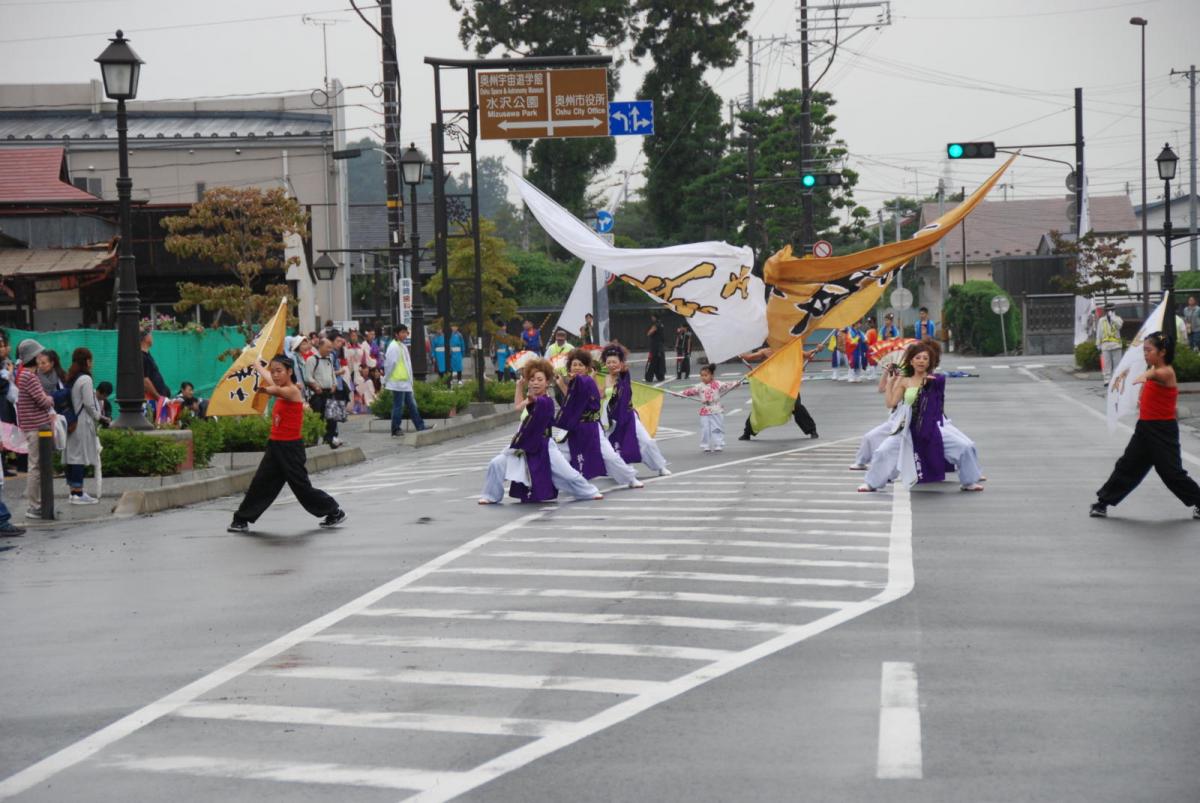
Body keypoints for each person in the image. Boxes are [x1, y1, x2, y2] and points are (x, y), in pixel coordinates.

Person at [227, 356, 346, 533]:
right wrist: (258, 366)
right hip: (275, 445)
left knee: (301, 487)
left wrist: (263, 390)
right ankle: (241, 519)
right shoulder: (280, 384)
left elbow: (274, 390)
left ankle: (334, 511)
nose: (275, 375)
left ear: (289, 372)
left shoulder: (292, 391)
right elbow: (270, 379)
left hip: (290, 448)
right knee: (261, 483)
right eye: (273, 371)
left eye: (279, 371)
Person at [1091, 332, 1200, 518]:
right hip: (1145, 429)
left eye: (1149, 350)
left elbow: (1156, 373)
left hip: (1163, 431)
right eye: (1144, 350)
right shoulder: (1153, 368)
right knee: (1127, 466)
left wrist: (1145, 375)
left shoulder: (1166, 372)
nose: (1145, 354)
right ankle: (1103, 502)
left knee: (1171, 473)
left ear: (1162, 352)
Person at [858, 340, 984, 493]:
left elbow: (937, 393)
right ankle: (871, 483)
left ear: (930, 362)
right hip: (907, 428)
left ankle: (969, 481)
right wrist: (891, 383)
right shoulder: (904, 380)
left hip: (930, 427)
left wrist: (928, 384)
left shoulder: (934, 379)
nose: (921, 361)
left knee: (965, 447)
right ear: (911, 360)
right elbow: (891, 403)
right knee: (883, 452)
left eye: (925, 358)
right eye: (918, 358)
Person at [480, 358, 603, 504]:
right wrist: (519, 386)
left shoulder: (546, 401)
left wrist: (534, 400)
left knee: (568, 474)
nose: (535, 382)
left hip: (544, 445)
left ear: (547, 383)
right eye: (532, 379)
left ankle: (590, 491)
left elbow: (541, 405)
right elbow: (518, 406)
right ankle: (490, 495)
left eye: (539, 379)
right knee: (496, 463)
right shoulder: (530, 399)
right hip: (523, 443)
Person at [554, 349, 642, 488]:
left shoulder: (587, 381)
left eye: (580, 365)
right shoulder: (574, 382)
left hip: (591, 427)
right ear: (569, 367)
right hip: (575, 428)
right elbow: (570, 401)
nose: (577, 367)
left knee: (609, 456)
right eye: (574, 364)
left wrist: (568, 384)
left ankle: (630, 477)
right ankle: (553, 484)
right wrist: (561, 384)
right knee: (560, 456)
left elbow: (587, 400)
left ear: (587, 368)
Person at [603, 344, 670, 476]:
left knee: (647, 441)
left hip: (628, 416)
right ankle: (623, 472)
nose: (611, 364)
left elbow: (623, 376)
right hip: (613, 419)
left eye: (614, 362)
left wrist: (622, 371)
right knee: (616, 447)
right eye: (608, 362)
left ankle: (660, 466)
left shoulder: (624, 374)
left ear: (621, 363)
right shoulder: (605, 378)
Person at [737, 344, 819, 441]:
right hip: (772, 386)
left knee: (797, 407)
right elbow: (748, 357)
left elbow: (808, 354)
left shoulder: (789, 349)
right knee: (760, 408)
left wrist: (818, 348)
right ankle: (747, 432)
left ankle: (812, 430)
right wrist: (738, 353)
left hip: (788, 386)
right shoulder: (766, 351)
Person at [15, 339, 55, 519]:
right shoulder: (29, 377)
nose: (40, 357)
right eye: (38, 354)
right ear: (33, 356)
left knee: (37, 466)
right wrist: (50, 399)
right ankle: (34, 505)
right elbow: (44, 401)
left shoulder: (25, 375)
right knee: (36, 467)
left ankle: (39, 504)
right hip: (36, 427)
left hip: (33, 426)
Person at [63, 348, 102, 504]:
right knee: (79, 457)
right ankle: (78, 493)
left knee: (72, 456)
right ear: (86, 361)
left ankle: (73, 491)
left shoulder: (71, 377)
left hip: (70, 421)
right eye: (90, 360)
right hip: (81, 423)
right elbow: (88, 404)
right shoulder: (85, 379)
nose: (92, 364)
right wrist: (98, 416)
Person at [384, 324, 433, 437]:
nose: (405, 335)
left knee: (411, 405)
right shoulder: (393, 347)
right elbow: (389, 365)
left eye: (405, 332)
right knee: (398, 406)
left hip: (404, 382)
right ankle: (395, 428)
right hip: (397, 382)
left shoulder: (402, 346)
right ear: (396, 334)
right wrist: (386, 379)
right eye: (402, 332)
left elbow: (407, 364)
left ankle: (420, 426)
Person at [680, 363, 739, 453]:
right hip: (705, 410)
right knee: (705, 429)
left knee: (717, 428)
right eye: (701, 375)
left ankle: (718, 444)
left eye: (706, 375)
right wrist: (681, 393)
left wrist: (736, 383)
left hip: (716, 409)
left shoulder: (717, 384)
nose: (703, 377)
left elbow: (728, 385)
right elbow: (690, 391)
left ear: (711, 375)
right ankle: (705, 445)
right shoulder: (699, 386)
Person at [306, 337, 343, 448]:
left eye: (331, 348)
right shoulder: (312, 359)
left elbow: (332, 373)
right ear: (320, 346)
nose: (330, 350)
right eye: (328, 347)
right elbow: (308, 377)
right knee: (318, 418)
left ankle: (329, 440)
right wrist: (316, 387)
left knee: (332, 419)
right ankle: (313, 441)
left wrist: (334, 384)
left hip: (330, 392)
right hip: (318, 394)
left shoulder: (329, 359)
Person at [0, 336, 23, 476]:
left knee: (4, 435)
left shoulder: (6, 363)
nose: (3, 348)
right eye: (1, 345)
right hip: (2, 403)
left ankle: (3, 465)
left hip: (5, 403)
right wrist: (7, 375)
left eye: (3, 345)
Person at [141, 329, 170, 419]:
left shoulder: (147, 355)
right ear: (145, 338)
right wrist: (158, 397)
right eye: (150, 335)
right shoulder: (141, 356)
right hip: (152, 400)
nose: (152, 338)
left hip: (158, 399)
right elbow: (145, 380)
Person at [1096, 304, 1124, 382]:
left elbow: (1119, 326)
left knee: (1117, 364)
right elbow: (1099, 333)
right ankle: (1107, 380)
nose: (1109, 312)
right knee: (1106, 364)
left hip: (1116, 345)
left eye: (1111, 310)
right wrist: (1098, 343)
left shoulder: (1118, 319)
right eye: (1108, 311)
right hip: (1105, 345)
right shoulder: (1102, 320)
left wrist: (1112, 318)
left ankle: (1115, 379)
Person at [644, 314, 666, 382]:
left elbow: (649, 333)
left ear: (655, 317)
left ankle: (649, 377)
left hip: (655, 347)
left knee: (651, 361)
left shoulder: (656, 325)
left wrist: (650, 330)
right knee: (660, 362)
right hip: (661, 346)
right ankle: (660, 377)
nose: (651, 318)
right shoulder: (661, 324)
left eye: (652, 317)